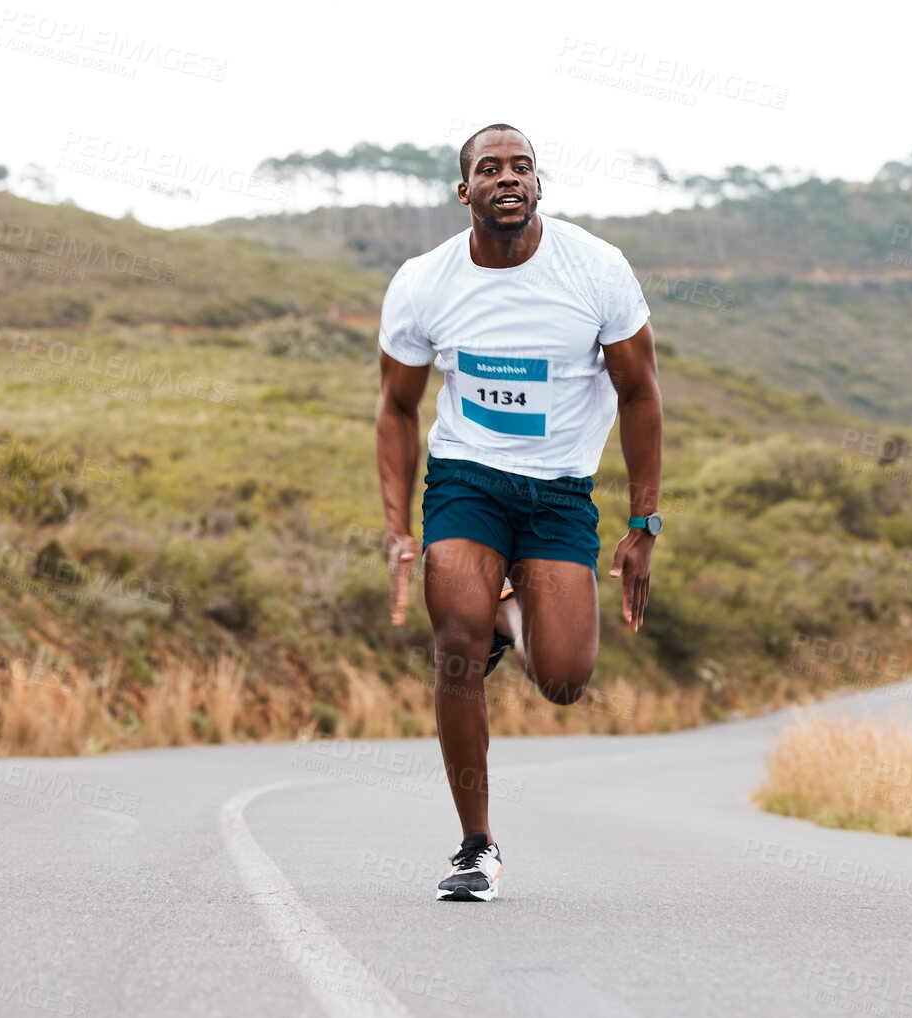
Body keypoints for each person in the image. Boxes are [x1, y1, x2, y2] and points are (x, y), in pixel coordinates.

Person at [373, 123, 665, 902]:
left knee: (564, 679)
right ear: (463, 190)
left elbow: (640, 394)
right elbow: (396, 408)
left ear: (539, 185)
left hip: (560, 491)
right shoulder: (424, 282)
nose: (510, 177)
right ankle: (476, 846)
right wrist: (400, 528)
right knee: (455, 644)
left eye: (523, 166)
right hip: (467, 480)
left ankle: (513, 618)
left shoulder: (595, 270)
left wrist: (643, 524)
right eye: (490, 168)